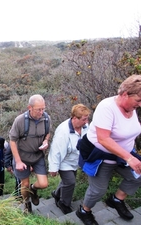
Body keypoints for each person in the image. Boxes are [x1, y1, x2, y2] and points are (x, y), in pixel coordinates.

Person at [76, 75, 141, 225]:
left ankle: (117, 200)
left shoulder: (130, 107)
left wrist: (129, 155)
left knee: (138, 175)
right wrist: (129, 158)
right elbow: (103, 138)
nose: (140, 104)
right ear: (125, 94)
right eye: (138, 100)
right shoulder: (107, 107)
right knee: (98, 190)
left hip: (123, 154)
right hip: (101, 156)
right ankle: (84, 211)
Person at [9, 94, 51, 213]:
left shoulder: (46, 119)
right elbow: (12, 141)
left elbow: (48, 133)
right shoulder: (20, 121)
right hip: (22, 157)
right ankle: (27, 204)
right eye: (39, 109)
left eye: (43, 108)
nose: (41, 112)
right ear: (30, 107)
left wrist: (46, 140)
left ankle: (34, 189)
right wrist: (18, 161)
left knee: (43, 184)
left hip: (37, 156)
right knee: (25, 184)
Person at [48, 104, 90, 214]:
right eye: (84, 119)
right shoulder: (63, 131)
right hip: (64, 161)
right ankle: (64, 203)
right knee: (70, 182)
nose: (86, 122)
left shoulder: (85, 126)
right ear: (75, 118)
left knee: (67, 182)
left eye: (87, 119)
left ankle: (57, 194)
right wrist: (53, 167)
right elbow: (56, 150)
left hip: (76, 160)